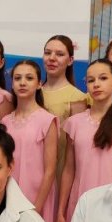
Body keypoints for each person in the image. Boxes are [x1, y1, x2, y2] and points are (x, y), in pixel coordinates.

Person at [56, 59, 112, 222]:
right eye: (91, 80)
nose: (96, 84)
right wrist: (61, 211)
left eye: (103, 78)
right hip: (80, 202)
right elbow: (69, 169)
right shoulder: (74, 122)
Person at [1, 60, 58, 222]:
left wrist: (36, 208)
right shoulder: (5, 122)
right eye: (17, 78)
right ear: (12, 84)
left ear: (39, 84)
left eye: (29, 78)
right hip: (8, 195)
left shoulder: (47, 120)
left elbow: (50, 170)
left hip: (36, 197)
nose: (23, 82)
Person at [41, 35, 87, 206]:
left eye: (59, 54)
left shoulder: (77, 98)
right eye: (48, 53)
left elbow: (74, 150)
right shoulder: (31, 92)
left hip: (59, 176)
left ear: (70, 60)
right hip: (30, 171)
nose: (52, 58)